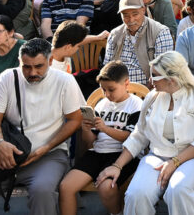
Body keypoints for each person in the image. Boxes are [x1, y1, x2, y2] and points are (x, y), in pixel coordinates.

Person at [0, 38, 84, 215]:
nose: (32, 72)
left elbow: (75, 120)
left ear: (50, 61)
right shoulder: (7, 77)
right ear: (20, 61)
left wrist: (46, 148)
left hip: (49, 154)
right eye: (26, 67)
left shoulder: (65, 81)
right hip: (10, 154)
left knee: (42, 191)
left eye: (39, 66)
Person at [95, 51, 194, 215]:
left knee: (178, 190)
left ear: (171, 79)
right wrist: (117, 166)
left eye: (155, 76)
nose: (150, 80)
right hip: (158, 155)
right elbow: (139, 135)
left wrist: (175, 162)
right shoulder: (152, 97)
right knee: (136, 194)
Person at [58, 61, 142, 215]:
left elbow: (131, 138)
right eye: (103, 90)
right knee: (66, 186)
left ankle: (117, 213)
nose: (107, 94)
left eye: (111, 89)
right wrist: (86, 129)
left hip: (123, 154)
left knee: (106, 187)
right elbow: (90, 141)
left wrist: (105, 128)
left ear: (126, 83)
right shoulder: (102, 104)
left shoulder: (136, 105)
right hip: (97, 152)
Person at [102, 0, 174, 86]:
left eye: (135, 14)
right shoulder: (115, 34)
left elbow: (163, 70)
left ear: (143, 10)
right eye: (126, 16)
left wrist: (146, 92)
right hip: (119, 90)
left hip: (149, 89)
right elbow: (107, 67)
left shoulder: (160, 32)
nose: (131, 20)